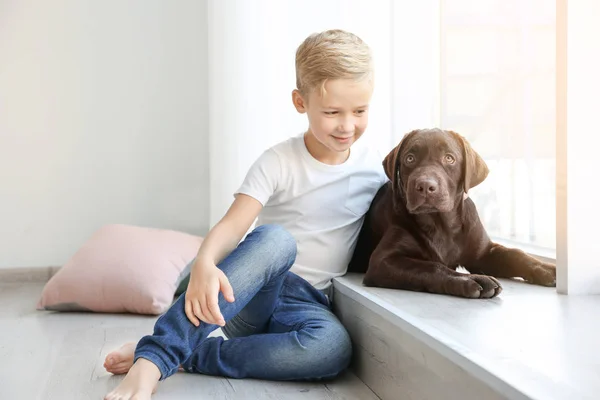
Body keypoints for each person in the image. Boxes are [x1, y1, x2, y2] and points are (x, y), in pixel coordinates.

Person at [104, 29, 387, 400]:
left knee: (334, 348)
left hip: (307, 303)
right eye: (333, 112)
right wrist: (205, 261)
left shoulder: (374, 172)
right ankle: (155, 358)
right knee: (276, 239)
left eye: (360, 111)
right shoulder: (278, 161)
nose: (347, 125)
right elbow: (234, 225)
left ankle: (195, 355)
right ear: (300, 102)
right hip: (252, 291)